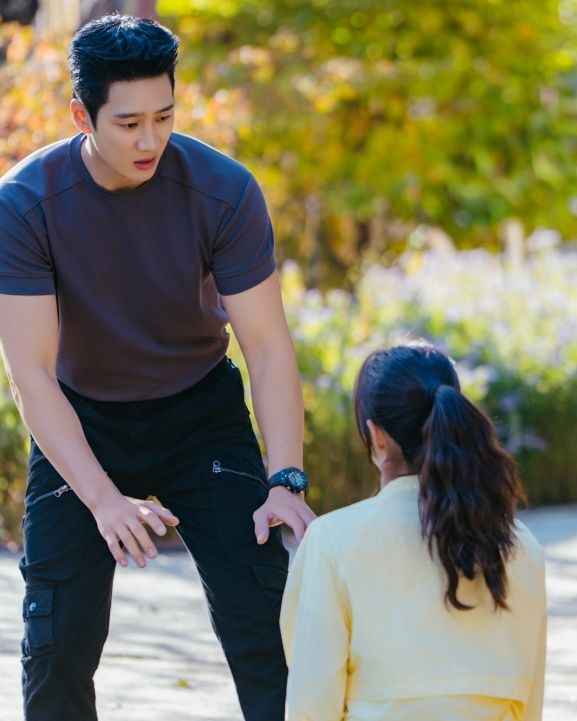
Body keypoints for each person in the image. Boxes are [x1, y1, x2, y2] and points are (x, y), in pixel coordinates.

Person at [0, 14, 315, 721]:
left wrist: (285, 478)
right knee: (55, 642)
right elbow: (33, 375)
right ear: (81, 116)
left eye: (165, 117)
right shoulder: (24, 205)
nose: (150, 141)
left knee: (266, 620)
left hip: (200, 414)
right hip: (81, 418)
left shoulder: (223, 190)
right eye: (129, 123)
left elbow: (267, 346)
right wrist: (102, 500)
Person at [281, 343, 546, 721]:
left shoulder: (333, 540)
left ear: (376, 435)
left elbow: (312, 703)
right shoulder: (521, 546)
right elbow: (530, 706)